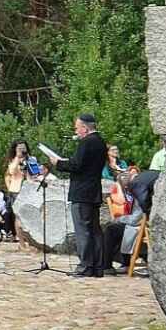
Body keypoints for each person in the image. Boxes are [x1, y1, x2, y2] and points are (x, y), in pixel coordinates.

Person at [63, 113, 111, 277]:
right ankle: (98, 266)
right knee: (94, 230)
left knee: (83, 229)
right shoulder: (101, 142)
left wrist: (59, 163)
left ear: (84, 128)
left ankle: (85, 266)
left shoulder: (86, 142)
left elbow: (77, 165)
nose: (76, 131)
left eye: (77, 128)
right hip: (94, 191)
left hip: (82, 192)